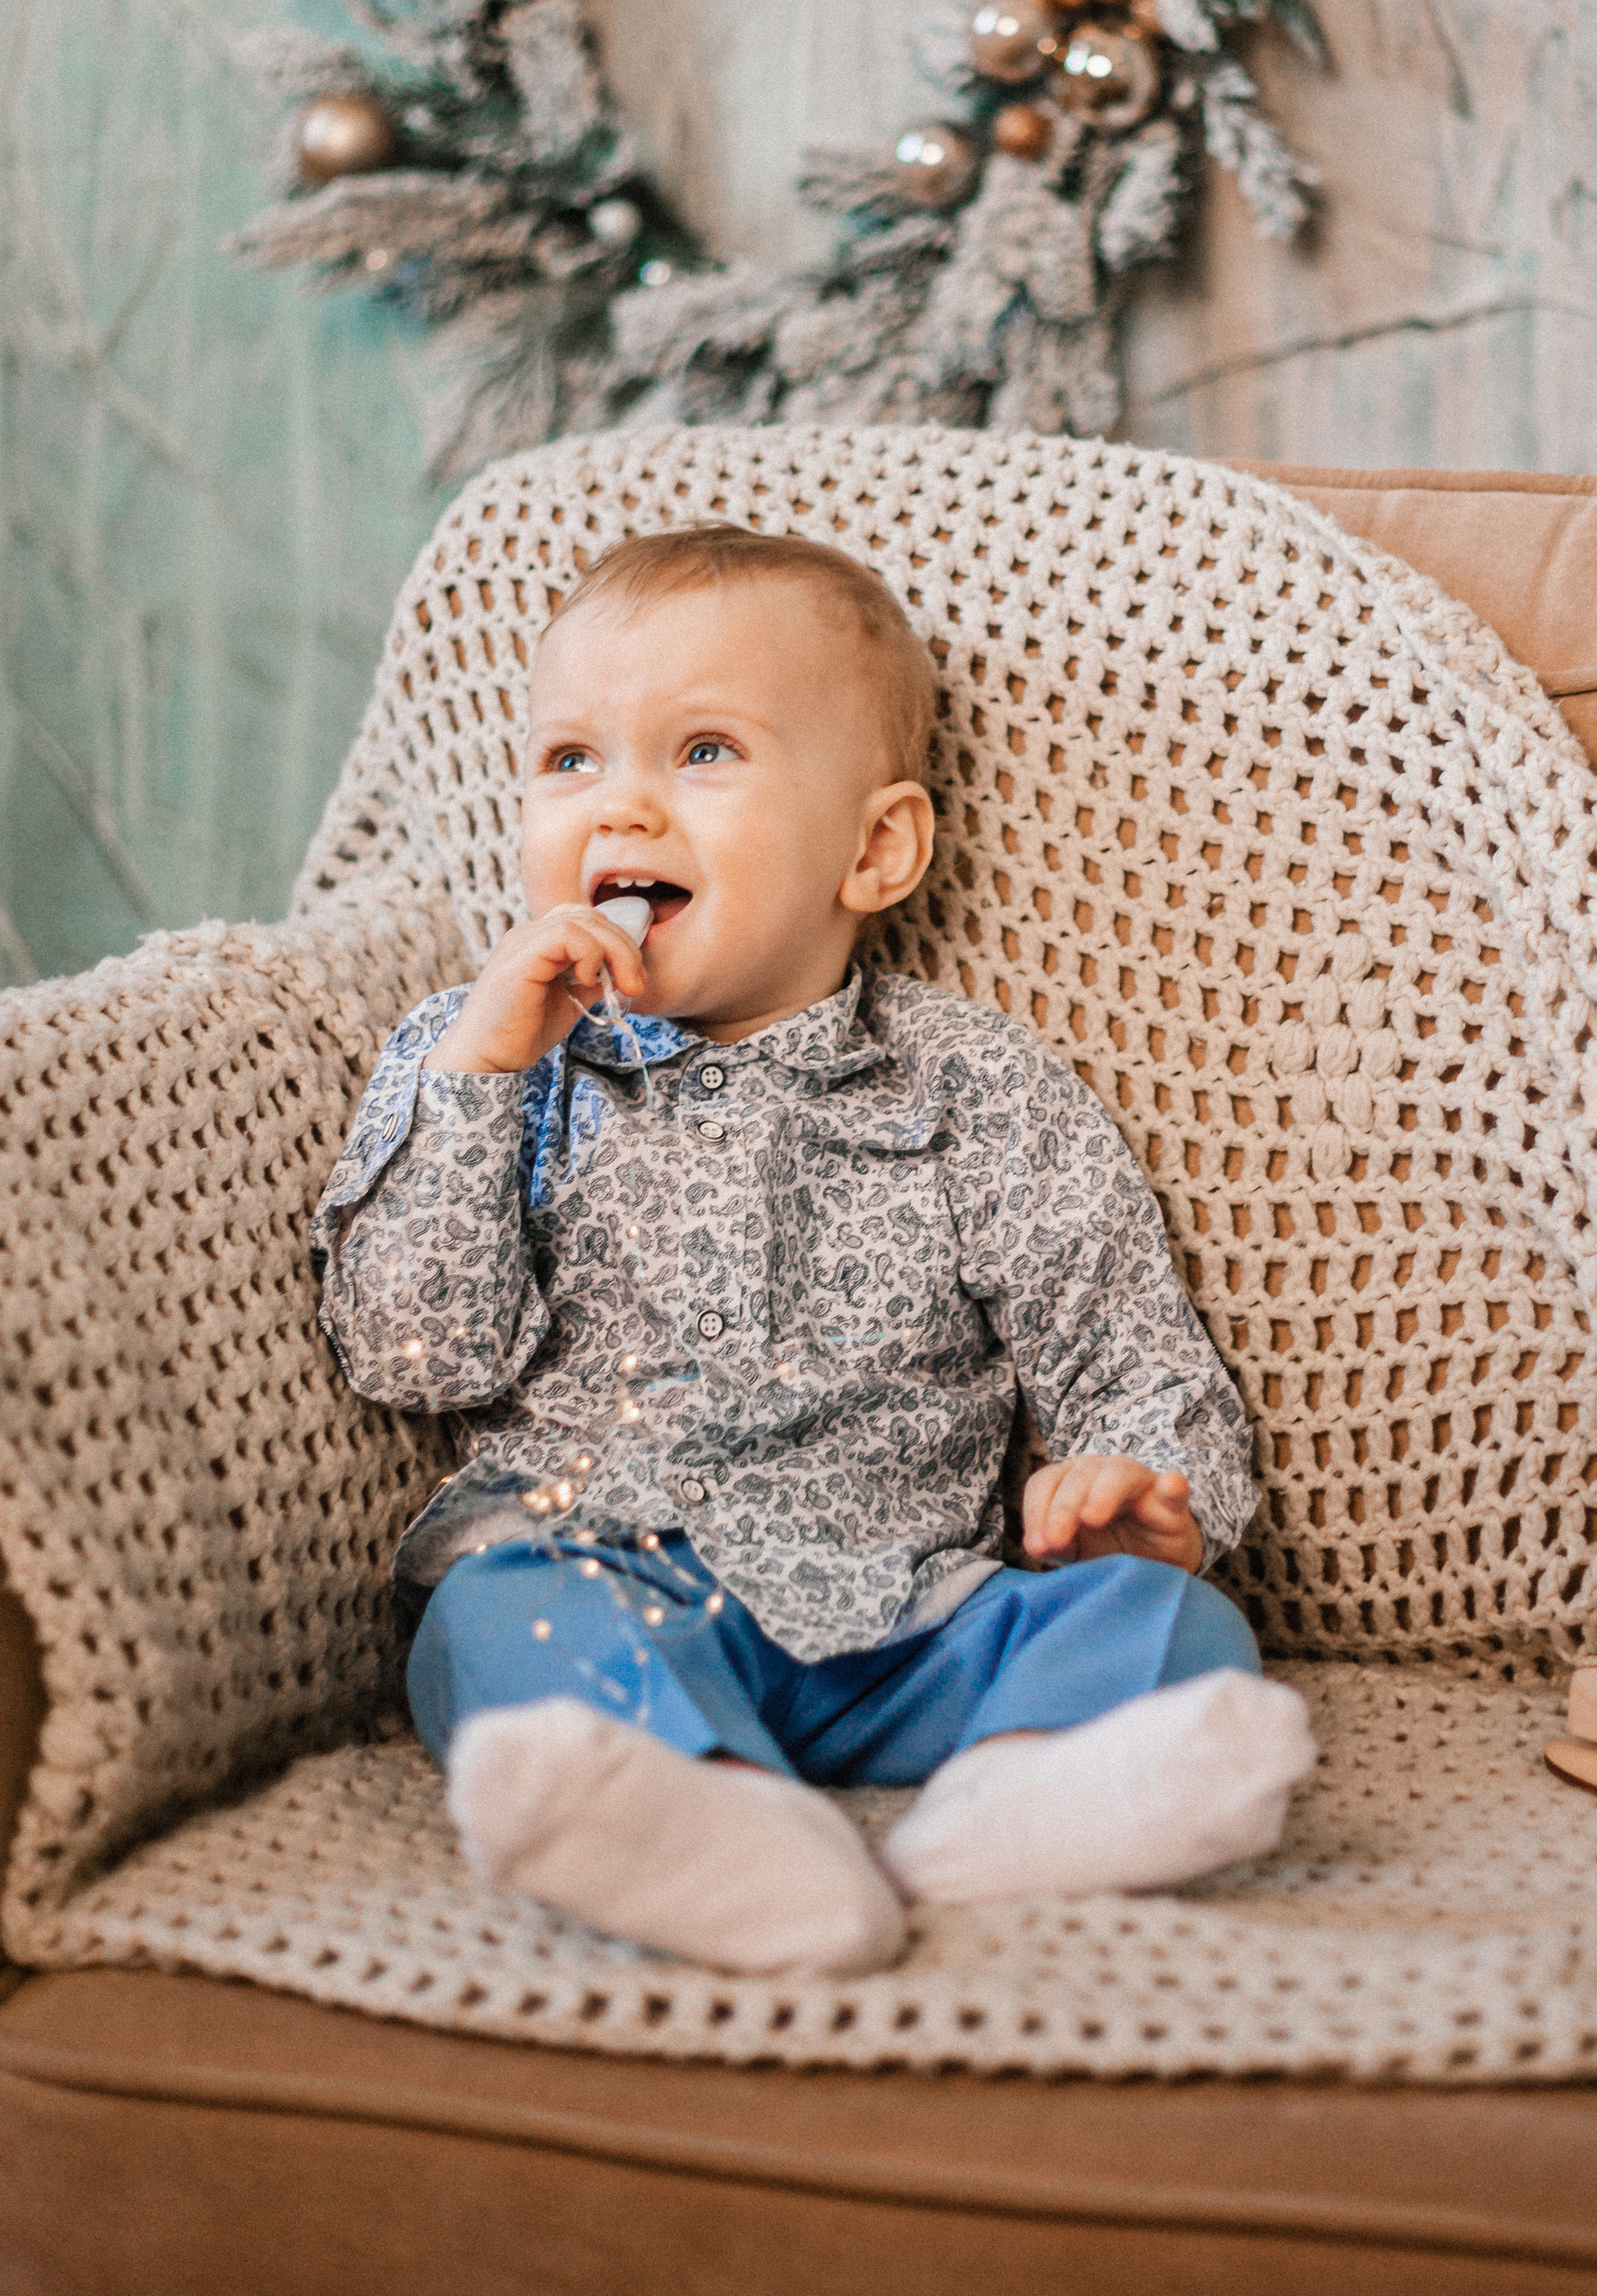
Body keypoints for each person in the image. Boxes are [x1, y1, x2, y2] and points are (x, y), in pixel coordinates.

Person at [313, 521, 1314, 1979]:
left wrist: (1148, 1494)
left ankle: (1004, 1819)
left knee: (1169, 1625)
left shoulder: (971, 1085)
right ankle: (709, 1826)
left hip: (911, 1613)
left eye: (702, 752)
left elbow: (1129, 1352)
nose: (622, 811)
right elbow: (415, 1353)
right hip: (605, 1571)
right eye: (571, 760)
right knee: (489, 1621)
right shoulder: (480, 1059)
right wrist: (481, 1079)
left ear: (875, 847)